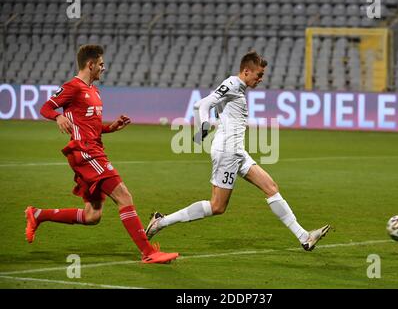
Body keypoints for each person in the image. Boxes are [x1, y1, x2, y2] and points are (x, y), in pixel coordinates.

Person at [146, 51, 330, 251]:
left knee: (271, 188)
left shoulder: (238, 88)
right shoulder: (233, 84)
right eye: (258, 75)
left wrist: (203, 131)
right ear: (246, 71)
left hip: (237, 152)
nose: (261, 79)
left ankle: (304, 236)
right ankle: (160, 222)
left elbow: (205, 104)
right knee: (217, 206)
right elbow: (203, 104)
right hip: (227, 151)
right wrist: (203, 128)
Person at [25, 44, 178, 264]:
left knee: (92, 215)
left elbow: (91, 125)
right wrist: (57, 117)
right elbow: (46, 108)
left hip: (94, 149)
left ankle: (38, 214)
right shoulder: (73, 87)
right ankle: (148, 252)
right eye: (101, 64)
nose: (103, 68)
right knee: (124, 196)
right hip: (85, 152)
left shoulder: (94, 91)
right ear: (91, 64)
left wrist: (111, 127)